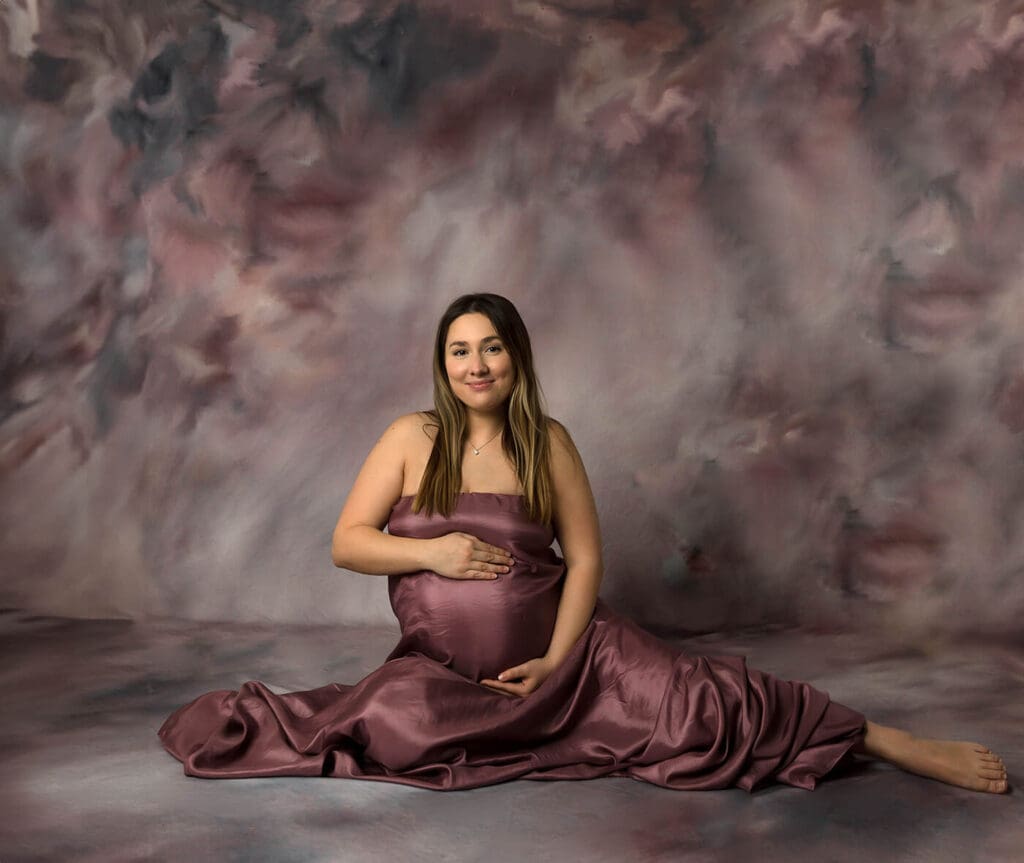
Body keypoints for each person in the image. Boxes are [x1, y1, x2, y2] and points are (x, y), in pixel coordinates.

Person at [158, 292, 1009, 794]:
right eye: (459, 350)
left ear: (515, 357)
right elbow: (348, 542)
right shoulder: (412, 437)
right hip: (449, 671)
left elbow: (589, 559)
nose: (475, 363)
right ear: (441, 364)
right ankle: (506, 716)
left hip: (576, 658)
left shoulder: (548, 441)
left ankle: (886, 738)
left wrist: (558, 661)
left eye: (490, 346)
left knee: (704, 706)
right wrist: (435, 553)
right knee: (392, 720)